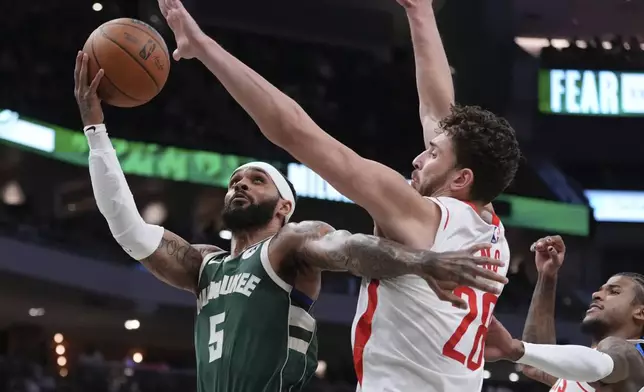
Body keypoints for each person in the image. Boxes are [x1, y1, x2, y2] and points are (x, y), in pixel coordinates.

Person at [73, 50, 509, 391]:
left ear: (285, 207)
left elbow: (352, 250)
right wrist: (96, 131)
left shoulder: (294, 245)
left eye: (256, 180)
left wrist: (417, 260)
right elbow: (128, 229)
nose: (240, 185)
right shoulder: (205, 266)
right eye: (235, 180)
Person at [484, 235, 644, 392]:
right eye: (600, 289)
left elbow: (600, 366)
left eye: (614, 292)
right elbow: (535, 364)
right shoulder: (585, 367)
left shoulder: (632, 356)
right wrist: (547, 276)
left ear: (640, 313)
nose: (596, 294)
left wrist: (514, 348)